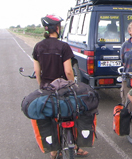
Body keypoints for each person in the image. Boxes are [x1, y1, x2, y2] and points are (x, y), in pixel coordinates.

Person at [32, 14, 88, 159]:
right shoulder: (63, 46)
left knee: (49, 117)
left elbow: (37, 71)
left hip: (47, 88)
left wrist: (41, 86)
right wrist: (73, 85)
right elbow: (69, 71)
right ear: (57, 28)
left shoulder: (38, 47)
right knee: (74, 112)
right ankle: (76, 146)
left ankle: (53, 150)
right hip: (63, 88)